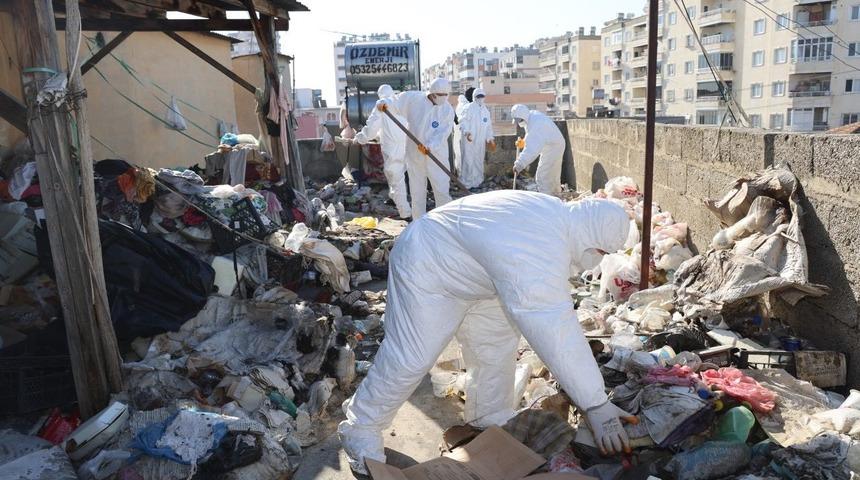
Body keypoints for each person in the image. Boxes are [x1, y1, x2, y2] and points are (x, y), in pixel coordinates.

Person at [338, 190, 633, 474]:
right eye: (600, 252)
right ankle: (360, 426)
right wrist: (595, 403)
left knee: (495, 347)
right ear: (589, 238)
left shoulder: (556, 217)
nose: (598, 260)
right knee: (411, 357)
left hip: (479, 274)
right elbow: (554, 327)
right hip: (428, 263)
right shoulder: (540, 243)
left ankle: (488, 416)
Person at [378, 78, 455, 219]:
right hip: (415, 155)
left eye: (446, 95)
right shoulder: (413, 99)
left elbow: (443, 133)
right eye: (441, 95)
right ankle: (419, 222)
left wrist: (430, 146)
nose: (444, 98)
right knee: (417, 192)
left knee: (442, 190)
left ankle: (444, 222)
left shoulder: (447, 110)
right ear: (432, 93)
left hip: (436, 155)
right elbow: (395, 101)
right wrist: (384, 103)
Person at [353, 84, 411, 219]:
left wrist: (360, 138)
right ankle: (395, 199)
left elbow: (372, 127)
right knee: (402, 177)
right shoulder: (400, 103)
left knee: (396, 178)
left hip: (393, 149)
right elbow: (389, 127)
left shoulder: (382, 104)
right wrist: (380, 136)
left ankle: (405, 213)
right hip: (408, 145)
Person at [511, 104, 566, 194]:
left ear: (523, 117)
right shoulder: (531, 117)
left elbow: (531, 150)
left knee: (542, 176)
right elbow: (531, 135)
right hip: (552, 144)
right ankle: (556, 194)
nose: (518, 123)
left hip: (553, 147)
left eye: (519, 120)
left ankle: (546, 198)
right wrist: (524, 142)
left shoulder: (536, 123)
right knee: (552, 173)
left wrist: (519, 164)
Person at [458, 88, 495, 189]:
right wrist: (467, 132)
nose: (480, 98)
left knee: (478, 160)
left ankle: (478, 182)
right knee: (468, 161)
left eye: (482, 96)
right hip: (469, 140)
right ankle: (467, 183)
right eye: (478, 96)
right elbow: (463, 121)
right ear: (474, 97)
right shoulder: (468, 108)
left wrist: (490, 138)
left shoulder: (485, 111)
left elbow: (488, 127)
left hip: (480, 141)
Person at [453, 94, 470, 177]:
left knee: (459, 155)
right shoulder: (465, 106)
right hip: (463, 134)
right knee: (464, 156)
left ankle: (461, 174)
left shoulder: (460, 106)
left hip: (458, 134)